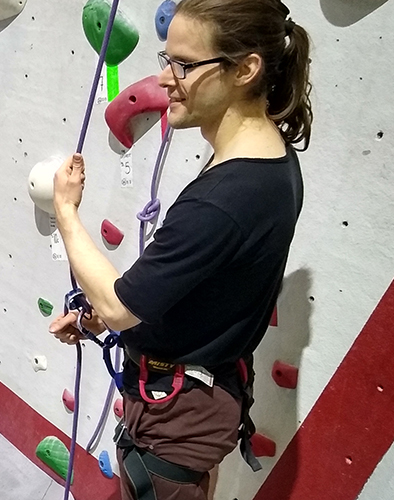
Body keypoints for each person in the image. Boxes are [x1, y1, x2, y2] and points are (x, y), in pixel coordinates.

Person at [47, 1, 310, 499]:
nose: (164, 79)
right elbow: (206, 287)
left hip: (179, 417)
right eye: (167, 58)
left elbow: (121, 306)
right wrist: (96, 318)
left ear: (245, 69)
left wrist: (66, 212)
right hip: (197, 400)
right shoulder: (267, 160)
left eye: (184, 65)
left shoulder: (226, 198)